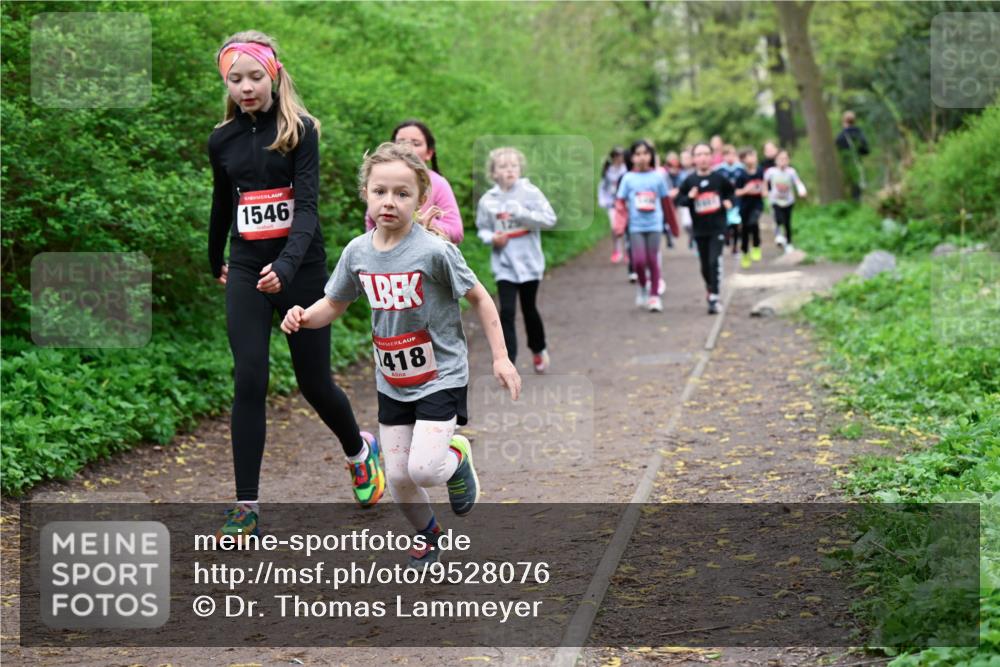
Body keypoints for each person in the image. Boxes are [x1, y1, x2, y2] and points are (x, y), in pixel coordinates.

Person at [281, 142, 521, 568]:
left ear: (420, 198)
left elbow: (482, 299)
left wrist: (501, 358)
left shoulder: (434, 251)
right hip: (392, 379)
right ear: (366, 195)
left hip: (440, 374)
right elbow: (333, 304)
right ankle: (430, 535)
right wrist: (303, 317)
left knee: (425, 469)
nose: (389, 201)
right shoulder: (357, 252)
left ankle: (456, 456)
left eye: (402, 193)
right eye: (380, 192)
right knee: (396, 478)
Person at [207, 31, 385, 539]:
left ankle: (359, 450)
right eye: (234, 79)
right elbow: (225, 204)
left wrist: (285, 267)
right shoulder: (221, 139)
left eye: (254, 77)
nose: (245, 87)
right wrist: (213, 258)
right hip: (245, 268)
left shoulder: (300, 131)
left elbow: (306, 210)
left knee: (313, 383)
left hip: (300, 269)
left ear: (275, 74)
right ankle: (246, 506)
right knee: (249, 378)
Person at [475, 146, 556, 373]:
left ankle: (538, 349)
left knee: (529, 309)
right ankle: (508, 361)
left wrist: (523, 214)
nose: (509, 170)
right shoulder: (487, 201)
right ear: (493, 173)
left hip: (530, 263)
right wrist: (493, 238)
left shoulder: (530, 193)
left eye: (513, 165)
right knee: (507, 312)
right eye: (503, 166)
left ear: (520, 169)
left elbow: (550, 219)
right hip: (505, 266)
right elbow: (482, 229)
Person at [364, 120, 464, 243]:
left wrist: (420, 219)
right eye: (400, 143)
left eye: (415, 144)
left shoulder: (438, 183)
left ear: (429, 153)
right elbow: (371, 223)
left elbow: (456, 232)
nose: (407, 148)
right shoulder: (382, 178)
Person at [614, 140, 679, 313]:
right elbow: (620, 204)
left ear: (651, 156)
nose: (642, 157)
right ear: (632, 157)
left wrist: (673, 226)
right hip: (635, 226)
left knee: (653, 260)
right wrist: (619, 227)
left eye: (645, 153)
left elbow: (666, 204)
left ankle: (654, 296)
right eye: (638, 154)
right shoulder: (628, 178)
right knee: (639, 262)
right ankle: (642, 286)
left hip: (654, 225)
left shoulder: (658, 177)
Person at [675, 143, 735, 315]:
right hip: (700, 230)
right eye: (699, 155)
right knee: (704, 266)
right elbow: (679, 201)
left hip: (718, 228)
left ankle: (714, 298)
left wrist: (729, 202)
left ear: (711, 157)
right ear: (694, 159)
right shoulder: (689, 181)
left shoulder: (719, 179)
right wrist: (690, 197)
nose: (703, 158)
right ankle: (710, 287)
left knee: (714, 261)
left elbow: (731, 193)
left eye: (706, 154)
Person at [763, 149, 808, 253]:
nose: (783, 161)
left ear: (788, 160)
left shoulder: (791, 172)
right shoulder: (771, 172)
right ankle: (778, 235)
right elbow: (765, 183)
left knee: (787, 223)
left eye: (785, 159)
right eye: (780, 159)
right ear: (776, 160)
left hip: (788, 201)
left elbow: (798, 182)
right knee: (778, 219)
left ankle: (789, 243)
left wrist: (802, 191)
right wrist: (765, 191)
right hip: (775, 200)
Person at [734, 148, 765, 268]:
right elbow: (736, 192)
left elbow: (765, 184)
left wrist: (764, 190)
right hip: (744, 205)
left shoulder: (760, 171)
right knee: (745, 230)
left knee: (754, 223)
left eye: (754, 155)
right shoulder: (741, 175)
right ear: (743, 159)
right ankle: (745, 253)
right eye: (750, 156)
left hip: (757, 204)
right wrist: (746, 190)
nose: (753, 158)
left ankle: (756, 246)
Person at [714, 145, 746, 256]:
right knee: (725, 224)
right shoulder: (718, 170)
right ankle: (726, 241)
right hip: (723, 201)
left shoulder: (741, 169)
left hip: (737, 200)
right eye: (727, 154)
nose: (730, 157)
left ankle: (735, 246)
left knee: (736, 223)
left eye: (732, 154)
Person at [599, 147, 628, 263]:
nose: (618, 158)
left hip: (624, 203)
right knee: (614, 227)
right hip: (611, 203)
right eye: (616, 156)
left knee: (625, 228)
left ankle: (627, 251)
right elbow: (602, 187)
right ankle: (617, 250)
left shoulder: (626, 169)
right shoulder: (607, 171)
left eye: (620, 156)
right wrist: (603, 200)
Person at [835, 110, 870, 201]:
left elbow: (837, 150)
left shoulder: (841, 136)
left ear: (844, 121)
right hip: (858, 163)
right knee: (858, 187)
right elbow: (866, 150)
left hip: (846, 165)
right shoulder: (859, 133)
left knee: (850, 188)